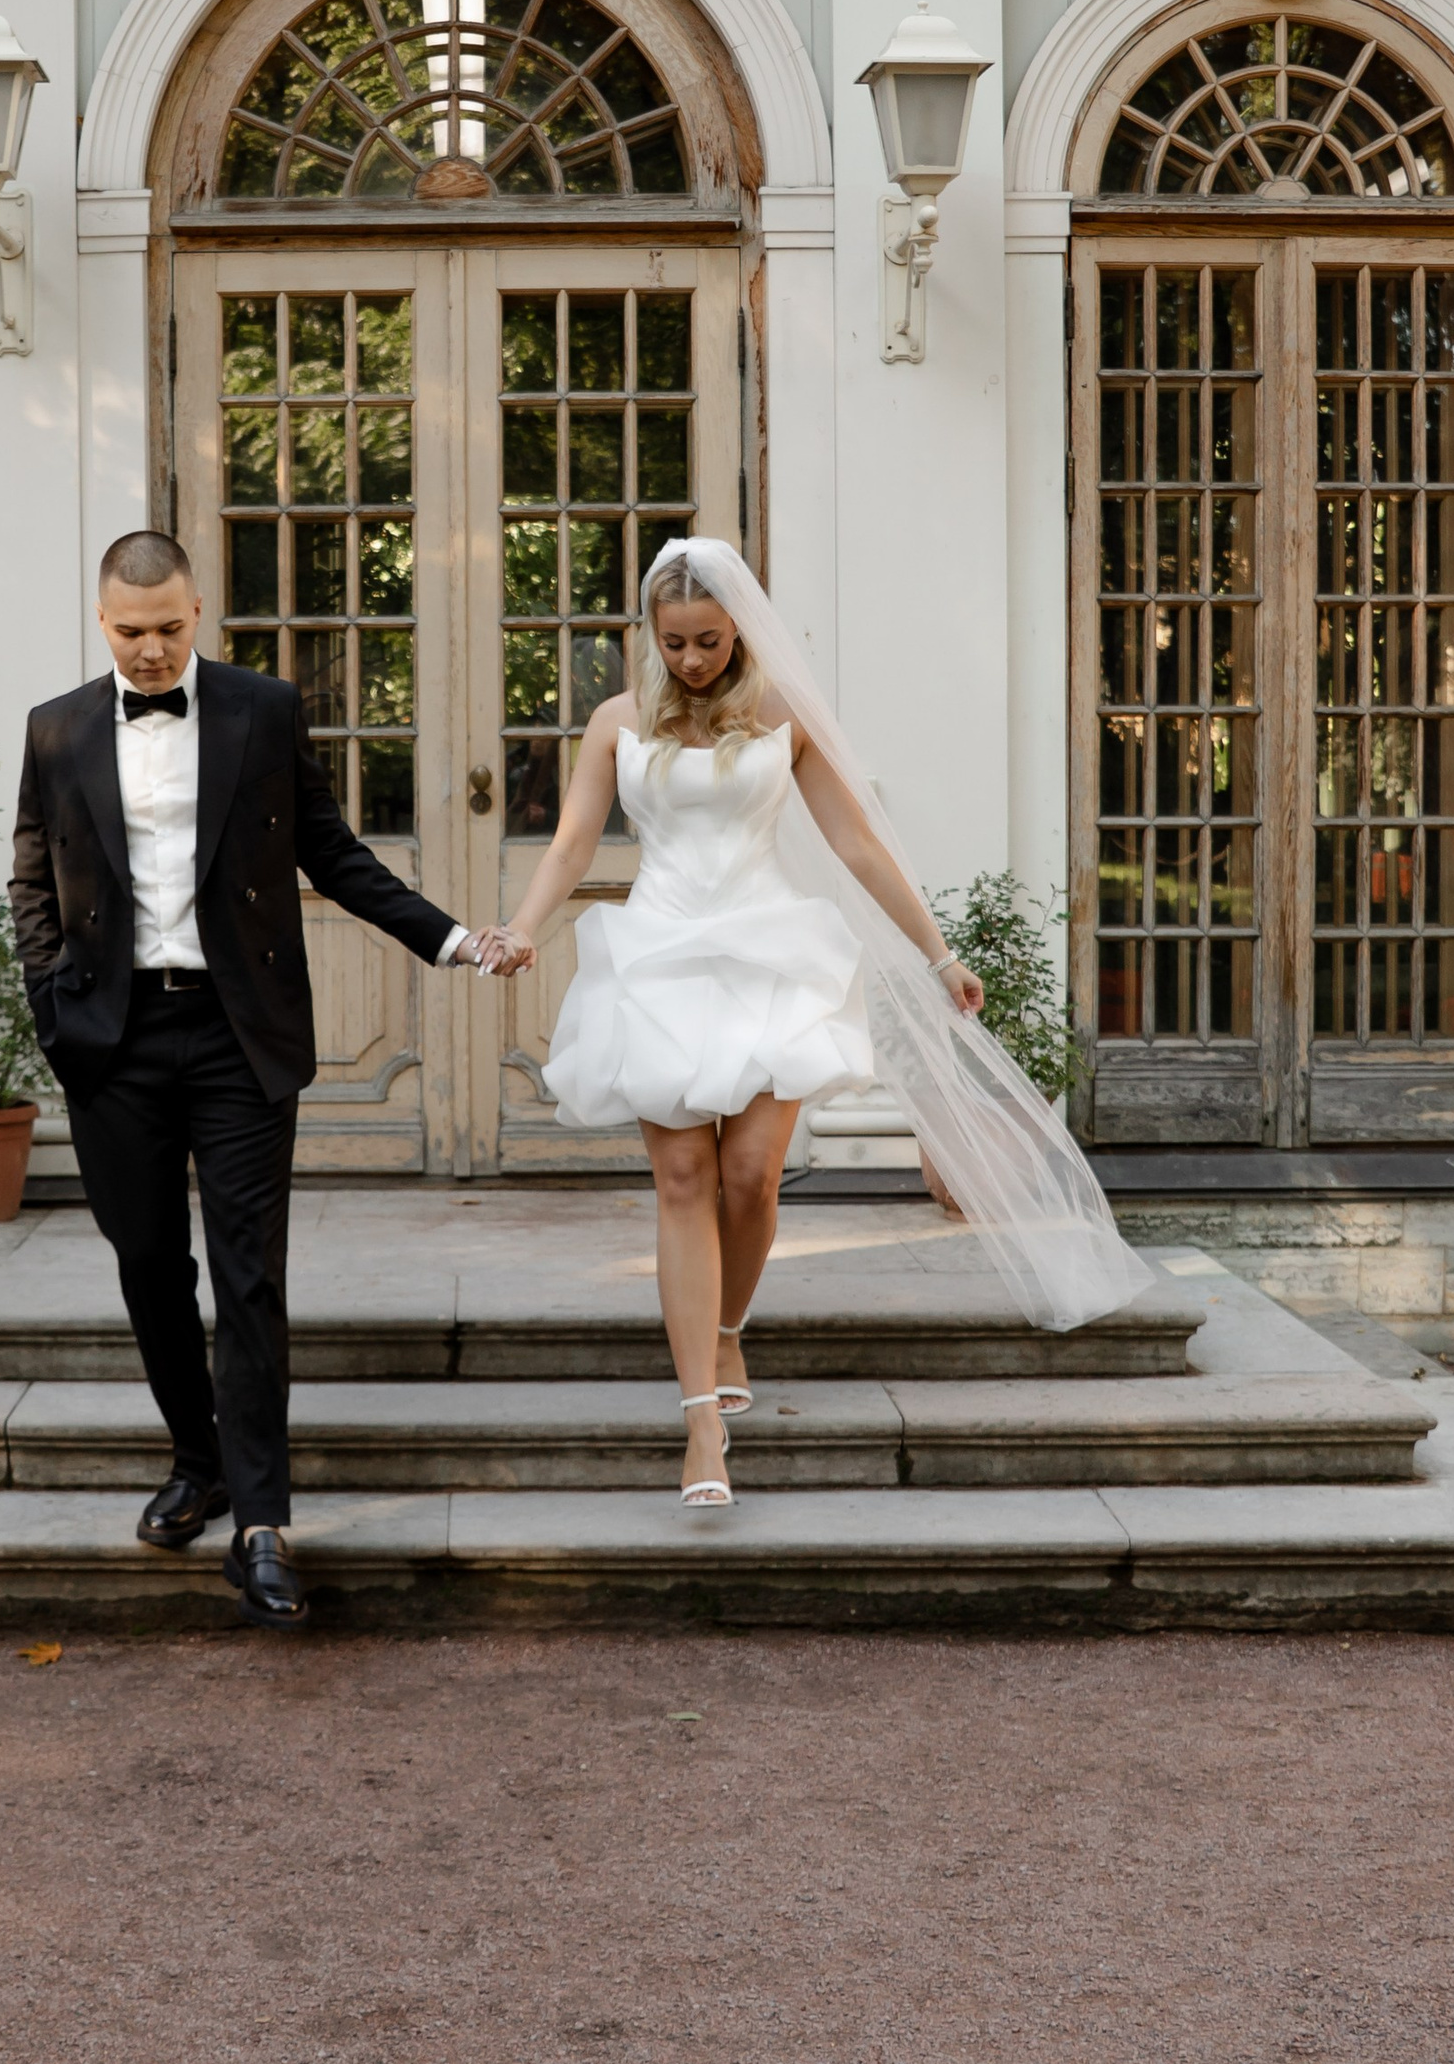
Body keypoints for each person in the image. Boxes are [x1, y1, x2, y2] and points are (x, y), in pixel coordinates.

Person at [490, 533, 1147, 1507]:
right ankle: (702, 1421)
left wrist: (938, 950)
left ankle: (725, 1324)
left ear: (741, 629)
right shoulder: (616, 721)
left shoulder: (781, 717)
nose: (691, 660)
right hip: (660, 960)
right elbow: (572, 839)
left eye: (708, 640)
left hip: (769, 956)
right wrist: (522, 925)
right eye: (672, 642)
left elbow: (855, 841)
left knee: (750, 1175)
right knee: (682, 1175)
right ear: (650, 634)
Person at [10, 532, 498, 1628]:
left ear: (199, 612)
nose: (149, 649)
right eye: (130, 631)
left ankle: (263, 1520)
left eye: (169, 628)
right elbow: (32, 874)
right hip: (112, 1040)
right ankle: (200, 1460)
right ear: (101, 620)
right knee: (147, 1266)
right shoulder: (57, 726)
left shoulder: (261, 709)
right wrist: (53, 1010)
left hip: (239, 1036)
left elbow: (331, 850)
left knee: (248, 1274)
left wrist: (452, 938)